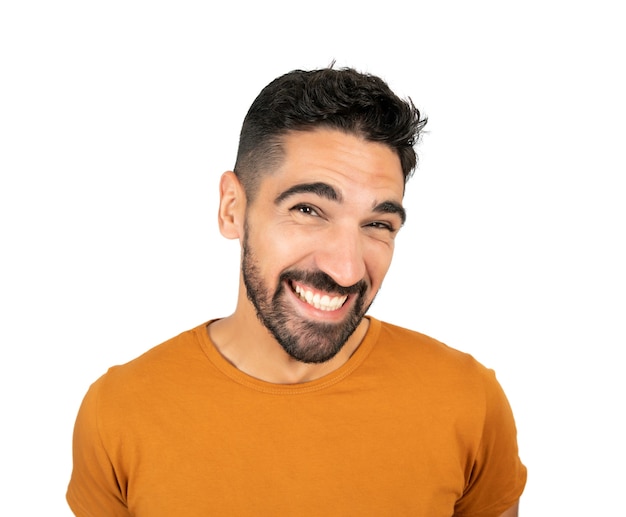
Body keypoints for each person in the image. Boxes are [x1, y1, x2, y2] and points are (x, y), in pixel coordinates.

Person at [66, 66, 526, 516]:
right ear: (232, 209)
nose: (346, 270)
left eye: (378, 224)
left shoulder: (468, 401)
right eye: (308, 209)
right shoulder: (118, 413)